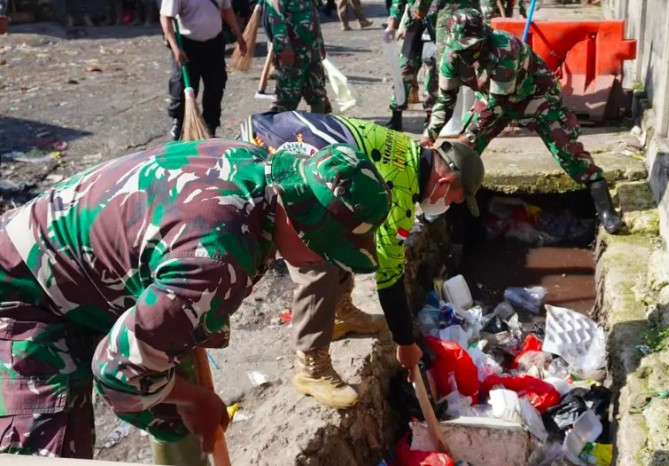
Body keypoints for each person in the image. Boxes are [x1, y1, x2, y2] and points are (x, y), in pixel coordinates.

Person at [0, 140, 392, 458]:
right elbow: (116, 373)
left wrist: (180, 390)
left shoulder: (257, 170)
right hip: (23, 288)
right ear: (295, 217)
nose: (323, 261)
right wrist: (194, 400)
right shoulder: (215, 261)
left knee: (168, 396)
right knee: (51, 449)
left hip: (79, 267)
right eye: (325, 247)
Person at [241, 111, 485, 408]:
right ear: (445, 182)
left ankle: (341, 311)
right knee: (317, 251)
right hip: (269, 146)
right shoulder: (400, 188)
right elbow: (389, 276)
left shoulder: (410, 154)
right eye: (455, 200)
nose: (450, 205)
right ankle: (312, 366)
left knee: (346, 229)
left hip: (287, 137)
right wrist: (405, 343)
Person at [422, 9, 623, 233]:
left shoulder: (504, 49)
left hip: (534, 97)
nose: (468, 51)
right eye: (462, 46)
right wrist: (430, 135)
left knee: (565, 149)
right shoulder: (451, 58)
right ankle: (444, 209)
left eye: (473, 45)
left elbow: (497, 105)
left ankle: (602, 200)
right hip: (491, 98)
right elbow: (445, 99)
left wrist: (473, 130)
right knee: (460, 152)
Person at [160, 0, 246, 139]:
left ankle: (210, 127)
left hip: (214, 43)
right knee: (183, 87)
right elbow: (165, 17)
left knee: (215, 86)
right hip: (187, 45)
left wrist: (238, 34)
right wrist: (175, 47)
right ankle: (179, 124)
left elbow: (227, 9)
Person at [263, 0, 332, 114]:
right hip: (292, 53)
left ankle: (318, 124)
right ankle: (281, 127)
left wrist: (320, 44)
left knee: (317, 93)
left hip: (312, 51)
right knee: (287, 96)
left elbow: (313, 16)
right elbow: (276, 20)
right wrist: (285, 47)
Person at [383, 0, 438, 131]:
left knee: (432, 74)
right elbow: (398, 2)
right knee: (404, 71)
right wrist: (391, 25)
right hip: (413, 26)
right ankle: (396, 117)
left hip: (436, 28)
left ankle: (431, 118)